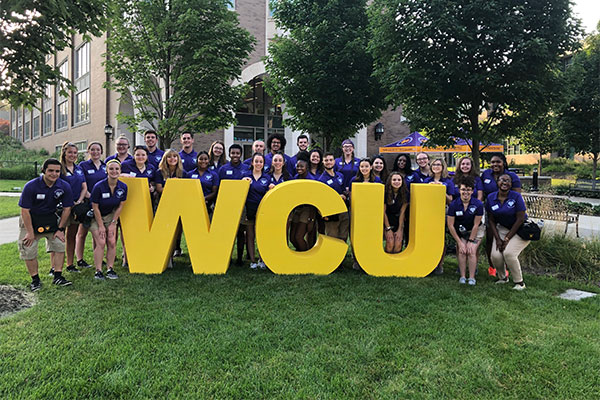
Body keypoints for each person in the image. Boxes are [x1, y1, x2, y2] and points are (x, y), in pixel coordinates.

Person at [18, 158, 74, 290]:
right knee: (28, 249)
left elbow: (67, 209)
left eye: (57, 171)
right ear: (43, 171)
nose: (54, 174)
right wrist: (30, 232)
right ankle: (35, 280)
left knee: (60, 245)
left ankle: (58, 276)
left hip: (51, 219)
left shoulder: (64, 186)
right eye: (50, 171)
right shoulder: (31, 186)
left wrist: (61, 228)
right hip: (31, 220)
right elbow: (24, 211)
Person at [486, 174, 529, 290]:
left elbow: (520, 219)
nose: (504, 183)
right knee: (495, 255)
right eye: (502, 180)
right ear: (497, 182)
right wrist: (498, 239)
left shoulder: (516, 197)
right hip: (502, 229)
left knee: (509, 253)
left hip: (520, 230)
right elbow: (491, 219)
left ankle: (519, 282)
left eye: (508, 181)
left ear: (511, 184)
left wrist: (507, 239)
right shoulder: (491, 198)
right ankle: (503, 278)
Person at [481, 153, 522, 276]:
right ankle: (492, 267)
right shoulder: (486, 174)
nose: (495, 164)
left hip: (508, 213)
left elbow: (517, 196)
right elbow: (482, 193)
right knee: (490, 238)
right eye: (492, 162)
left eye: (498, 162)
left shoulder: (512, 176)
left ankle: (506, 267)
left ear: (503, 162)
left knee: (506, 239)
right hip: (491, 211)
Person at [89, 159, 128, 280]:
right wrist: (101, 225)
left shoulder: (123, 187)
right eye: (111, 169)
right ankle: (98, 270)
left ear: (120, 171)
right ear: (106, 170)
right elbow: (95, 207)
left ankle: (110, 268)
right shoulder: (99, 186)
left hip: (111, 215)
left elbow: (121, 205)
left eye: (117, 169)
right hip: (97, 216)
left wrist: (113, 223)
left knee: (111, 241)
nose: (114, 171)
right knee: (101, 242)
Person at [447, 177, 484, 285]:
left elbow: (476, 224)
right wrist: (459, 242)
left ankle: (472, 277)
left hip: (476, 230)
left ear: (472, 191)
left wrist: (471, 241)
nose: (465, 192)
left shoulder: (478, 204)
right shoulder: (454, 204)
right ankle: (462, 276)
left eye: (468, 190)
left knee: (471, 250)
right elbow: (450, 225)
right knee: (462, 251)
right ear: (459, 190)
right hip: (461, 231)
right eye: (463, 189)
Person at [57, 142, 88, 274]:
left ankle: (70, 264)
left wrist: (79, 201)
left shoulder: (79, 169)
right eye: (70, 152)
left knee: (71, 236)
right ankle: (55, 267)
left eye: (75, 153)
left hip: (75, 206)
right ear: (64, 153)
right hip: (62, 208)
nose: (73, 155)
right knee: (58, 237)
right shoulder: (59, 168)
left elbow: (84, 187)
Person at [76, 141, 106, 269]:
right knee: (82, 232)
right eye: (92, 150)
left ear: (101, 152)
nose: (95, 152)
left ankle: (98, 257)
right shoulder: (83, 166)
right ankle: (80, 259)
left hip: (101, 204)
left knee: (97, 232)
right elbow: (80, 182)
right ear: (88, 151)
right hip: (88, 201)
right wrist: (88, 195)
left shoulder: (105, 166)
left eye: (98, 150)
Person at [218, 144, 248, 265]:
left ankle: (240, 258)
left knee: (241, 232)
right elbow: (219, 187)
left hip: (242, 205)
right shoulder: (223, 169)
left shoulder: (246, 168)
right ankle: (227, 257)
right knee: (227, 232)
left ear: (240, 154)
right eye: (233, 153)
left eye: (237, 153)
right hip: (227, 205)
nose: (235, 155)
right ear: (229, 154)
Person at [242, 153, 271, 269]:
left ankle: (262, 259)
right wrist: (242, 181)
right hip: (249, 210)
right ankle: (252, 260)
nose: (258, 164)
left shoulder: (267, 178)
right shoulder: (245, 176)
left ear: (263, 164)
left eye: (261, 162)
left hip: (262, 210)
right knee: (250, 235)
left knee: (261, 236)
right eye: (256, 161)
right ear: (252, 163)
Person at [156, 149, 185, 257]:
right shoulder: (159, 172)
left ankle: (176, 248)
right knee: (165, 228)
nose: (172, 159)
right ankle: (163, 251)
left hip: (179, 203)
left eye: (174, 156)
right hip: (164, 203)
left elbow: (186, 189)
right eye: (169, 157)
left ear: (178, 159)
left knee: (177, 228)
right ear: (165, 159)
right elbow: (159, 189)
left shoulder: (183, 173)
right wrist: (173, 185)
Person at [317, 152, 348, 244]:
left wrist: (345, 195)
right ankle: (333, 257)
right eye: (326, 160)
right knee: (332, 236)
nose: (328, 162)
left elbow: (344, 190)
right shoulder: (321, 180)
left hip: (343, 210)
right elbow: (322, 198)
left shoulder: (340, 175)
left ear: (334, 161)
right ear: (322, 162)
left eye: (331, 160)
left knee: (344, 234)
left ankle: (341, 256)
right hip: (331, 212)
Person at [290, 155, 317, 251]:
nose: (299, 168)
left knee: (299, 237)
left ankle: (307, 256)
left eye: (301, 166)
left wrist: (311, 218)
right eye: (297, 166)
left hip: (307, 210)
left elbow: (315, 201)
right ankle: (300, 254)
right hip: (296, 209)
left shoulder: (311, 180)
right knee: (292, 238)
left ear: (307, 167)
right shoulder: (295, 178)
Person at [383, 172, 408, 254]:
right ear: (390, 181)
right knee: (390, 243)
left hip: (398, 219)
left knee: (398, 244)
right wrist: (388, 229)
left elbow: (402, 212)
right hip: (386, 219)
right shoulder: (385, 193)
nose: (396, 182)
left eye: (399, 180)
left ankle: (395, 265)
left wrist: (400, 229)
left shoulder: (405, 194)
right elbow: (383, 212)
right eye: (394, 180)